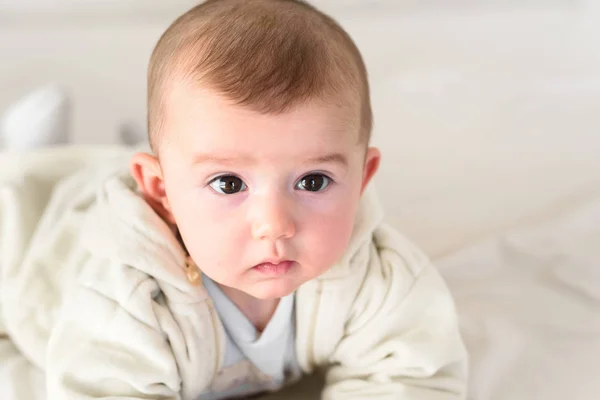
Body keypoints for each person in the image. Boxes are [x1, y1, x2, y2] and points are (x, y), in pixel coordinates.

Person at [0, 1, 468, 399]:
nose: (274, 224)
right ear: (161, 193)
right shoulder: (122, 299)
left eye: (313, 182)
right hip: (47, 240)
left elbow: (412, 377)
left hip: (175, 174)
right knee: (20, 200)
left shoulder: (378, 277)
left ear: (363, 177)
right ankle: (26, 151)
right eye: (229, 184)